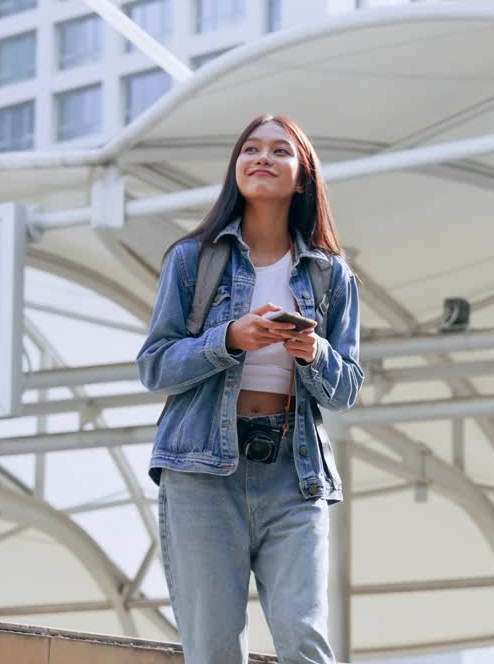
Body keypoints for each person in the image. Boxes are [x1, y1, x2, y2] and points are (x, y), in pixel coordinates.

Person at [136, 113, 364, 663]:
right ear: (235, 167)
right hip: (201, 473)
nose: (262, 158)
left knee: (305, 641)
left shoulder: (331, 275)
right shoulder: (194, 259)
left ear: (302, 177)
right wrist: (229, 338)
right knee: (214, 648)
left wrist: (312, 352)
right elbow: (155, 366)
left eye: (280, 151)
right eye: (250, 149)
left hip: (295, 473)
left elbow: (347, 388)